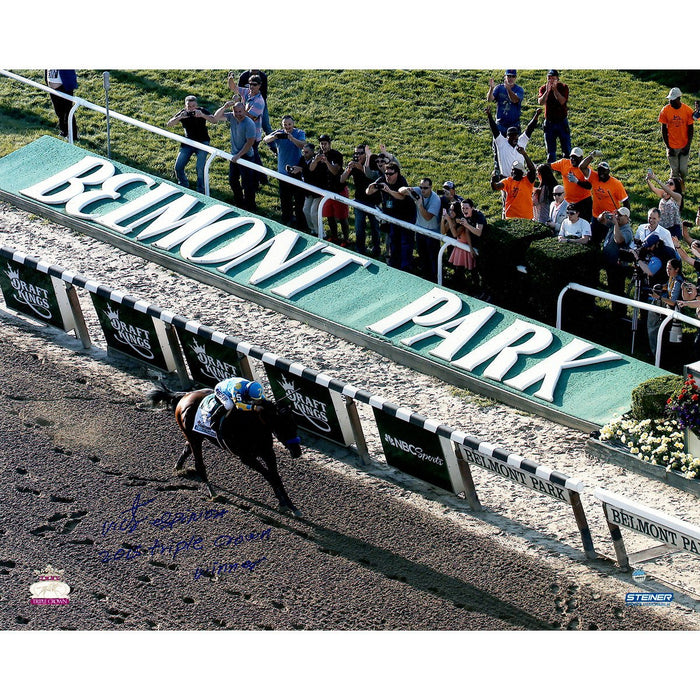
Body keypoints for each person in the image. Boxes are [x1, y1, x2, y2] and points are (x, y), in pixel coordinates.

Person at [366, 163, 416, 271]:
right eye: (386, 173)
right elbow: (368, 192)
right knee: (394, 241)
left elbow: (401, 196)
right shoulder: (382, 179)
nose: (387, 176)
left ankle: (406, 267)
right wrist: (372, 186)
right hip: (393, 216)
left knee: (405, 242)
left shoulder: (401, 181)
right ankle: (394, 265)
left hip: (406, 216)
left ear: (397, 173)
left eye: (390, 174)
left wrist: (389, 191)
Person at [166, 95, 218, 194]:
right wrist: (180, 117)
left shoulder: (202, 110)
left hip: (202, 142)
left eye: (193, 106)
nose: (191, 109)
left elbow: (214, 120)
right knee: (178, 166)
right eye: (189, 106)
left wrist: (202, 115)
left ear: (197, 105)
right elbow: (169, 124)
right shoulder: (183, 113)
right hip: (188, 143)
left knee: (200, 168)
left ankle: (201, 190)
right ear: (185, 106)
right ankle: (183, 185)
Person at [213, 101, 258, 211]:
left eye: (240, 111)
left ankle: (250, 206)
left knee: (247, 184)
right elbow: (216, 117)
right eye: (236, 111)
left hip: (246, 156)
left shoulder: (249, 123)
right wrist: (225, 106)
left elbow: (250, 142)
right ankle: (239, 202)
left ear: (244, 111)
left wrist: (238, 155)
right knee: (233, 180)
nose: (238, 114)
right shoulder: (232, 117)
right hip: (235, 156)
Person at [263, 115, 307, 228]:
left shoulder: (299, 133)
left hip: (296, 172)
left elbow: (302, 144)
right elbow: (265, 139)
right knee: (285, 199)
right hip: (282, 173)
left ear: (293, 124)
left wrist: (291, 138)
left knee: (298, 200)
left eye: (289, 124)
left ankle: (300, 221)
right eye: (285, 125)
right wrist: (275, 137)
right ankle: (286, 219)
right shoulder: (279, 133)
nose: (287, 127)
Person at [340, 144, 381, 257]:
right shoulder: (353, 164)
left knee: (375, 228)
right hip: (359, 201)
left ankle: (376, 249)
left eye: (360, 153)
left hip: (374, 201)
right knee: (359, 227)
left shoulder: (373, 162)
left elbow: (374, 178)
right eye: (356, 153)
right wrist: (348, 170)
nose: (357, 156)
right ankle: (360, 249)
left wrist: (361, 169)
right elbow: (342, 180)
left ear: (365, 154)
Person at [399, 178, 442, 281]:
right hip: (419, 230)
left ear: (431, 188)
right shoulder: (417, 191)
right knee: (423, 255)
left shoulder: (435, 199)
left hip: (432, 233)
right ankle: (426, 277)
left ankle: (435, 278)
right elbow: (400, 191)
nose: (422, 190)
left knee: (433, 258)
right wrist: (407, 189)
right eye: (421, 187)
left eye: (425, 188)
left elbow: (427, 217)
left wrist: (420, 205)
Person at [579, 160, 630, 245]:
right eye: (599, 170)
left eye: (604, 170)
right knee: (593, 241)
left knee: (610, 243)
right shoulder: (594, 177)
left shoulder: (616, 184)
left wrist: (625, 218)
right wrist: (592, 156)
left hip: (610, 219)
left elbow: (625, 202)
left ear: (608, 171)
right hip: (596, 216)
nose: (601, 173)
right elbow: (582, 167)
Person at [486, 105, 541, 179]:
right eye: (511, 136)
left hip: (520, 179)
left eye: (516, 135)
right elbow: (494, 129)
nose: (514, 138)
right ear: (507, 136)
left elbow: (530, 129)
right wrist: (489, 116)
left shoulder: (521, 141)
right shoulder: (501, 143)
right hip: (506, 179)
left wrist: (536, 115)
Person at [442, 198, 486, 291]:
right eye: (463, 208)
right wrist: (470, 248)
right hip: (470, 246)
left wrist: (465, 224)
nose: (464, 210)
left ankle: (482, 291)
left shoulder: (478, 216)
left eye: (466, 208)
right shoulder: (464, 218)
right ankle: (467, 288)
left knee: (479, 271)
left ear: (472, 208)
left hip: (484, 245)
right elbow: (468, 233)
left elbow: (478, 232)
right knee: (464, 270)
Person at [288, 142, 329, 235]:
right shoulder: (302, 159)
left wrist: (302, 169)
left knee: (314, 212)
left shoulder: (318, 161)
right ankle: (313, 230)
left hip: (318, 190)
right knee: (306, 210)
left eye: (306, 152)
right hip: (308, 190)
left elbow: (313, 173)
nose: (304, 154)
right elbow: (301, 168)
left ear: (312, 152)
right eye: (303, 152)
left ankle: (321, 233)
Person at [647, 258, 684, 358]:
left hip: (674, 312)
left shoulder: (678, 282)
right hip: (669, 309)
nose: (667, 271)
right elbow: (668, 286)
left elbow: (673, 302)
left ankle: (663, 357)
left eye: (670, 269)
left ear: (676, 269)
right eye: (667, 268)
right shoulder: (672, 277)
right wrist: (661, 287)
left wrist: (659, 297)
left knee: (665, 335)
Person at [550, 147, 597, 222]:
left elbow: (589, 186)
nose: (573, 159)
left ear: (581, 158)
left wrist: (577, 181)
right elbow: (549, 167)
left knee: (584, 223)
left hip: (583, 201)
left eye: (575, 157)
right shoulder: (564, 163)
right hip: (567, 201)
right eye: (572, 157)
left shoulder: (586, 169)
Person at [318, 135, 349, 245]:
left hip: (338, 190)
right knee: (330, 216)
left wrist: (326, 162)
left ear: (329, 144)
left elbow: (335, 171)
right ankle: (334, 236)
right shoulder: (318, 155)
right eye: (321, 144)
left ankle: (346, 239)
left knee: (342, 217)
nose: (323, 146)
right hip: (326, 191)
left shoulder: (337, 155)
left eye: (325, 144)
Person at [601, 207, 633, 313]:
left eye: (620, 215)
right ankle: (615, 310)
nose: (617, 217)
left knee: (617, 290)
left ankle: (619, 312)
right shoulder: (615, 225)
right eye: (617, 215)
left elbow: (618, 240)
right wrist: (603, 215)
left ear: (627, 218)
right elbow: (600, 220)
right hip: (609, 263)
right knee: (612, 288)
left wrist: (615, 224)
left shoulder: (627, 230)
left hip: (618, 266)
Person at [658, 87, 694, 183]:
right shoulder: (665, 110)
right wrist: (668, 147)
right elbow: (664, 130)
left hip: (684, 145)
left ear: (679, 99)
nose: (671, 102)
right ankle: (675, 191)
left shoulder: (687, 110)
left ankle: (680, 185)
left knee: (683, 170)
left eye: (673, 100)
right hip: (672, 145)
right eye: (670, 99)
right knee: (674, 171)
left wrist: (687, 146)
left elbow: (691, 129)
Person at [490, 148, 536, 220]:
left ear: (521, 172)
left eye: (516, 171)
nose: (513, 173)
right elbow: (497, 187)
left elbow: (532, 170)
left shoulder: (527, 181)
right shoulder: (508, 181)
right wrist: (493, 181)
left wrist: (524, 154)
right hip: (511, 217)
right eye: (513, 170)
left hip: (527, 217)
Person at [537, 70, 571, 163]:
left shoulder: (563, 87)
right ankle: (551, 170)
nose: (551, 81)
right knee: (551, 151)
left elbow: (562, 101)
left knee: (567, 149)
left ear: (557, 79)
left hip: (562, 122)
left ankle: (567, 169)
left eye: (553, 78)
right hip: (549, 123)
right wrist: (547, 92)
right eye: (549, 78)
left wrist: (555, 90)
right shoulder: (543, 88)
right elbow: (541, 102)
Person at [235, 69, 273, 144]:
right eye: (250, 84)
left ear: (259, 85)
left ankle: (274, 147)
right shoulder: (244, 76)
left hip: (258, 104)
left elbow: (250, 116)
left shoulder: (263, 77)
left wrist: (241, 106)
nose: (251, 87)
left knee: (266, 126)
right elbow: (237, 89)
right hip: (248, 102)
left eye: (254, 85)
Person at [646, 170, 683, 239]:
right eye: (667, 183)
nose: (668, 184)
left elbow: (668, 190)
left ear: (676, 187)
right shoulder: (663, 194)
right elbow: (653, 189)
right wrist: (648, 180)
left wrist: (655, 179)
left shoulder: (677, 197)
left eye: (671, 184)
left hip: (673, 227)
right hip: (662, 225)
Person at [487, 70, 525, 136]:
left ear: (515, 78)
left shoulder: (519, 89)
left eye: (513, 76)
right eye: (509, 76)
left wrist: (508, 89)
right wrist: (491, 88)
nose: (511, 78)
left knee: (513, 145)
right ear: (505, 77)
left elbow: (515, 100)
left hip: (514, 124)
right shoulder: (499, 88)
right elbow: (490, 99)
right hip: (500, 123)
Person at [45, 70, 78, 139]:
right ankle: (64, 131)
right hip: (52, 88)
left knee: (67, 111)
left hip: (64, 86)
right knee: (59, 111)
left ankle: (73, 135)